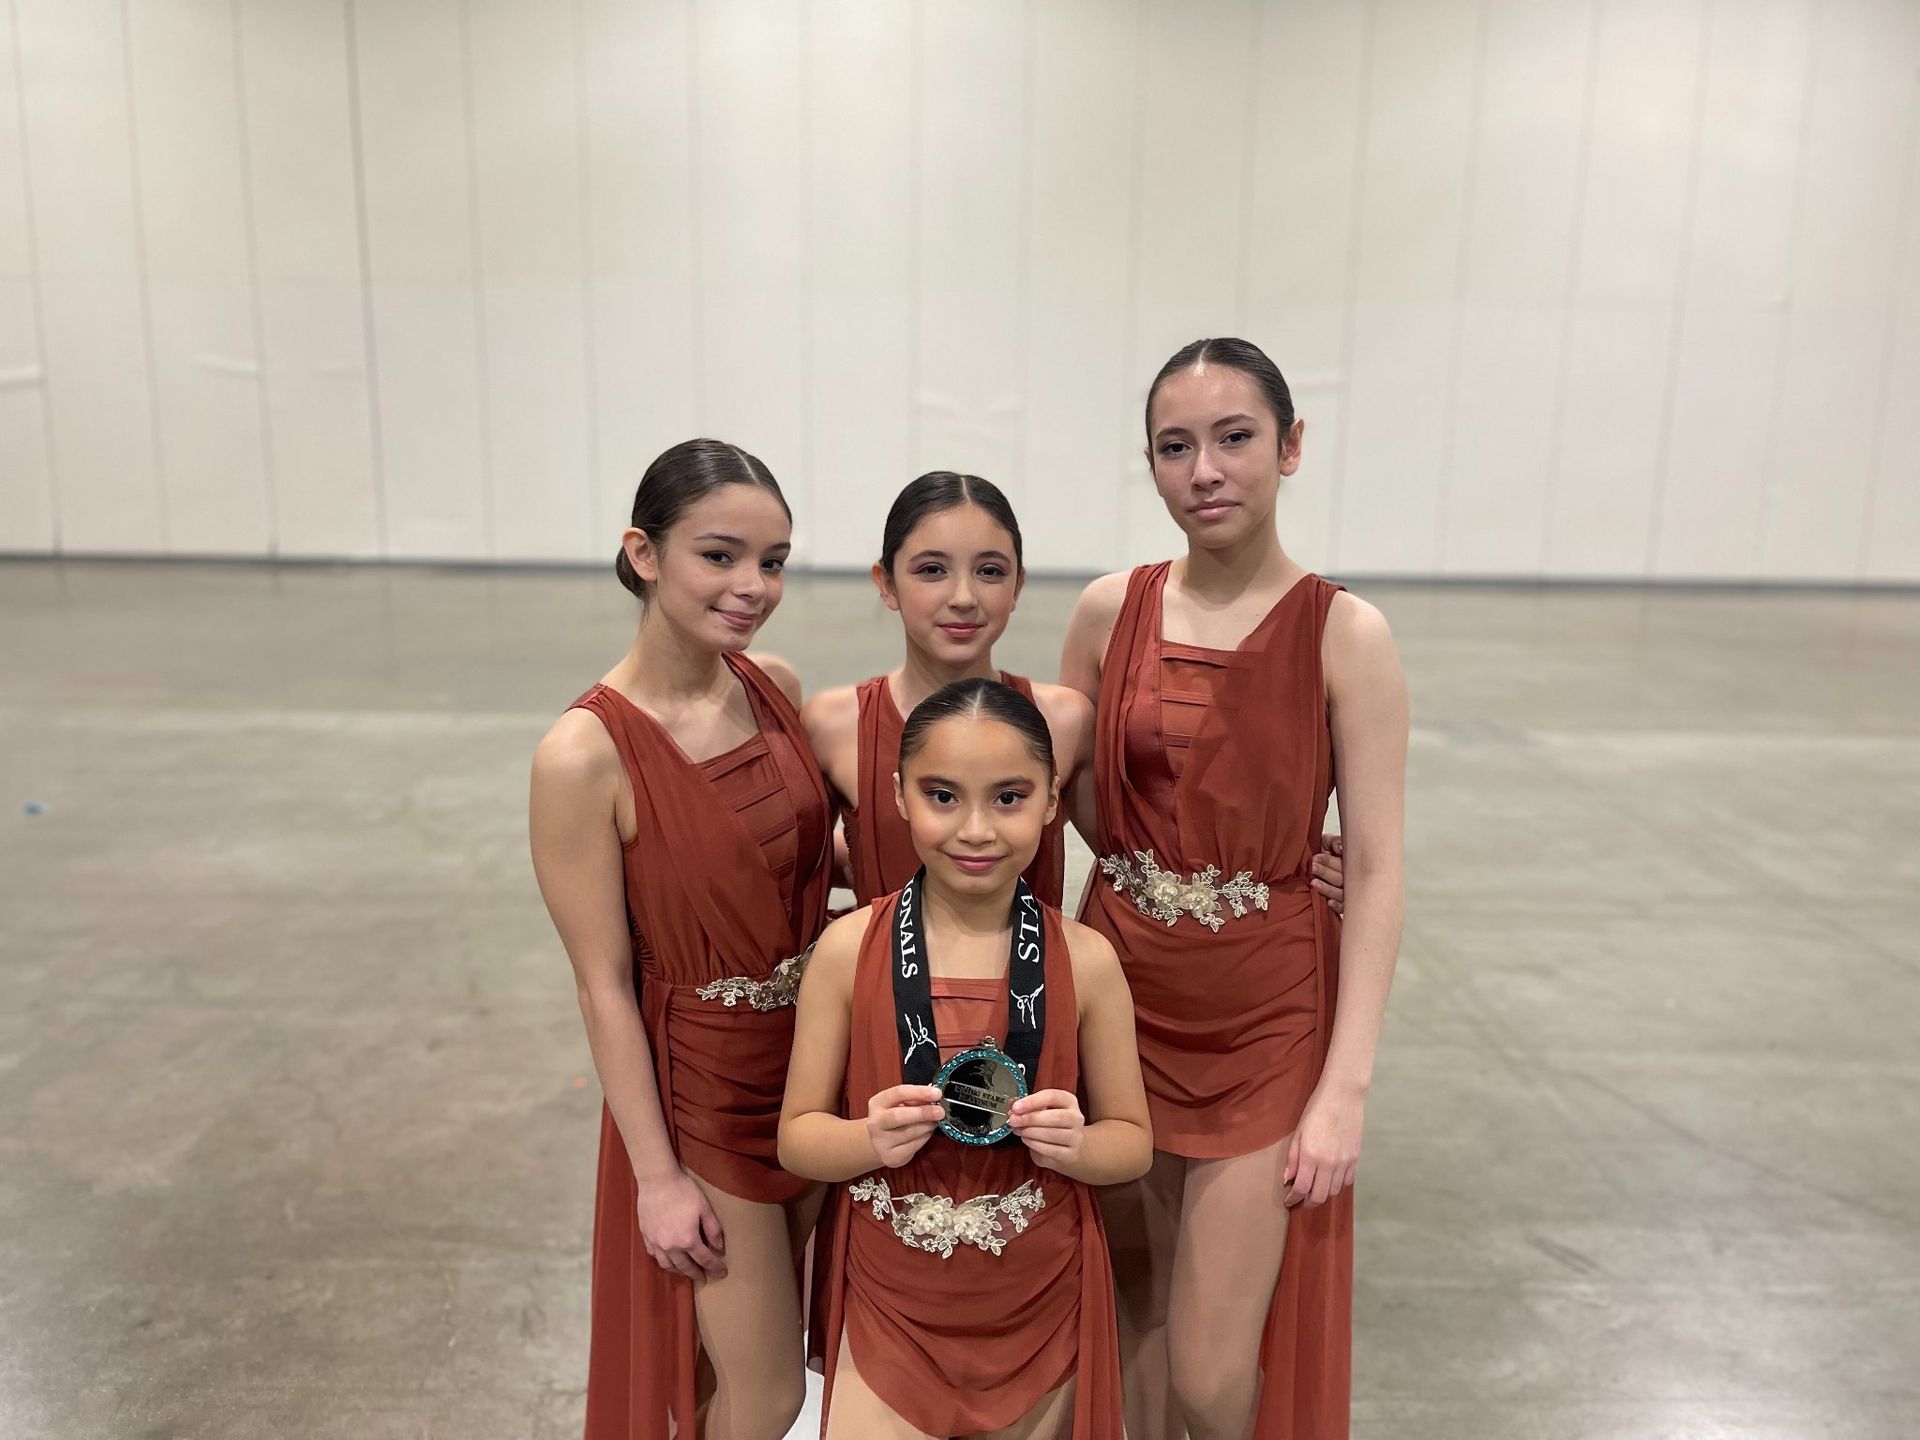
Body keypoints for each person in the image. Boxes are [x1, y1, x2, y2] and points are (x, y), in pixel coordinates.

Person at [1059, 338, 1409, 1440]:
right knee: (1124, 1317)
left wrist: (1344, 1087)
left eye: (1235, 438)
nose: (1203, 469)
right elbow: (1051, 790)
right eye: (1175, 446)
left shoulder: (1347, 635)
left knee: (1215, 1374)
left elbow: (1385, 866)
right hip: (1114, 992)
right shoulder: (1108, 610)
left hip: (1263, 1018)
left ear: (1291, 448)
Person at [529, 438, 834, 1440]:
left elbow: (811, 864)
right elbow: (603, 985)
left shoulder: (772, 684)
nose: (754, 587)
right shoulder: (585, 755)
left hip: (815, 1074)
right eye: (722, 555)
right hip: (702, 1095)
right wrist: (658, 1180)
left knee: (757, 1367)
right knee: (770, 1394)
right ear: (645, 553)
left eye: (775, 561)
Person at [781, 678, 1152, 1439]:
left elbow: (1133, 1143)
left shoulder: (1088, 959)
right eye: (943, 796)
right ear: (898, 795)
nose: (975, 829)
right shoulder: (849, 948)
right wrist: (864, 1138)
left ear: (1054, 800)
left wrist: (1079, 1145)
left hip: (1038, 1294)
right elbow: (798, 1136)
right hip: (893, 1297)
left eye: (1009, 797)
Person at [802, 471, 1349, 915]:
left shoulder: (1062, 721)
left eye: (990, 571)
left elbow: (1146, 852)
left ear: (1017, 586)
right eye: (931, 571)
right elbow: (787, 871)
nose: (964, 597)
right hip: (888, 1018)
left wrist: (1297, 862)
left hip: (1032, 1023)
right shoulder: (834, 725)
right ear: (886, 583)